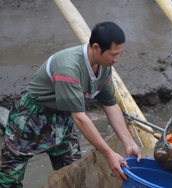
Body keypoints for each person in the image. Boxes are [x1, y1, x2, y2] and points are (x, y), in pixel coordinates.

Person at [0, 21, 142, 187]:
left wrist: (129, 144)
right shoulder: (69, 67)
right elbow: (80, 118)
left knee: (74, 172)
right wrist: (109, 154)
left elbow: (110, 105)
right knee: (9, 176)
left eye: (119, 54)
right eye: (113, 54)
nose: (117, 60)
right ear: (96, 48)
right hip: (31, 116)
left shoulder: (104, 66)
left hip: (62, 116)